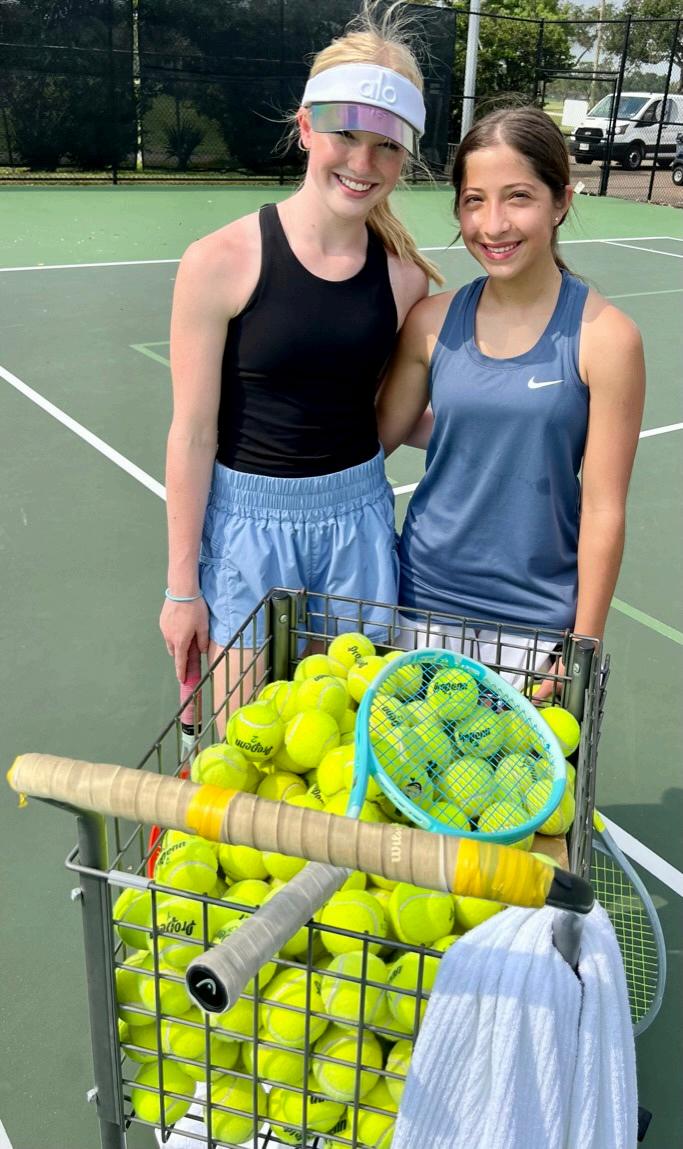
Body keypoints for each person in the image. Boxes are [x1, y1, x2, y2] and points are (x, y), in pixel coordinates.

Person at [159, 4, 444, 702]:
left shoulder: (405, 279)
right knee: (243, 738)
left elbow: (393, 413)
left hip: (358, 524)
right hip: (248, 530)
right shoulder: (218, 261)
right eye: (346, 134)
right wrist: (181, 588)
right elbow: (192, 434)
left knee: (347, 736)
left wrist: (516, 430)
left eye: (387, 146)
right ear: (306, 126)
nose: (363, 163)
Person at [377, 106, 645, 690]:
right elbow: (371, 444)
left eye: (518, 197)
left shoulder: (607, 339)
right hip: (418, 603)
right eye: (474, 200)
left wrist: (582, 644)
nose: (493, 225)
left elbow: (604, 509)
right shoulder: (429, 323)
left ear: (561, 201)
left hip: (535, 626)